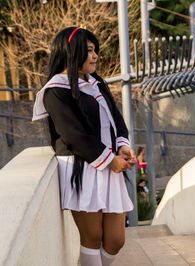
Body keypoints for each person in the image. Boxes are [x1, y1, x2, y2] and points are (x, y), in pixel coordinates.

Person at [32, 27, 136, 266]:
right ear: (71, 51)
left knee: (116, 240)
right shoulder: (55, 90)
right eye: (89, 50)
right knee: (92, 237)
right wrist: (110, 160)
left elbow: (115, 118)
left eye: (95, 50)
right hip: (82, 167)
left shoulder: (96, 81)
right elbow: (72, 135)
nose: (95, 56)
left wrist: (121, 146)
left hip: (110, 164)